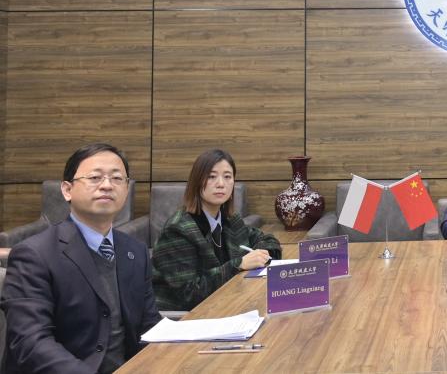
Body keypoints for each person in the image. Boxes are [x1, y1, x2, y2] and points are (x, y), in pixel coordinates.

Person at [1, 143, 161, 373]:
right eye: (95, 177)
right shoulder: (34, 255)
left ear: (126, 190)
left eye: (117, 178)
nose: (107, 185)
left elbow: (149, 326)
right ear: (67, 190)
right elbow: (31, 343)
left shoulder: (135, 251)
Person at [151, 149, 281, 311]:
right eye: (211, 177)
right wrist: (239, 264)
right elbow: (188, 294)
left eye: (227, 177)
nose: (221, 184)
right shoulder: (178, 230)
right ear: (197, 182)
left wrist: (262, 254)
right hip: (185, 316)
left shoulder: (230, 219)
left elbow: (267, 240)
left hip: (226, 303)